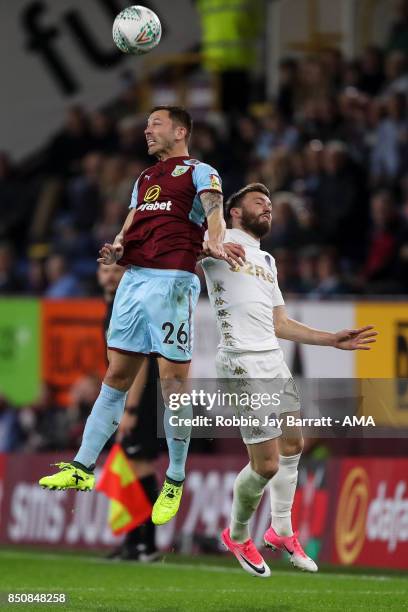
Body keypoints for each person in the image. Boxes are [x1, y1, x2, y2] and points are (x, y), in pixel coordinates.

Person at [39, 106, 243, 528]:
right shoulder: (145, 179)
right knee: (115, 376)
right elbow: (131, 222)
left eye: (156, 123)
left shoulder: (200, 171)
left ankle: (174, 476)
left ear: (181, 130)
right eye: (146, 124)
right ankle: (82, 465)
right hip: (133, 282)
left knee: (173, 384)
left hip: (171, 282)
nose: (146, 130)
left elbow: (214, 213)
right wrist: (117, 248)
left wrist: (217, 241)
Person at [200, 183, 377, 577]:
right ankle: (238, 534)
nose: (268, 209)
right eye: (258, 203)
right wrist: (207, 246)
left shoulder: (267, 259)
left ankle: (281, 531)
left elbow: (280, 323)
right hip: (241, 362)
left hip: (272, 360)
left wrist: (330, 340)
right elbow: (186, 252)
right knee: (265, 466)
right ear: (234, 211)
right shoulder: (216, 239)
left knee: (294, 442)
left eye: (270, 205)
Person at [98, 262, 160, 562]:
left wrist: (130, 409)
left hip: (142, 400)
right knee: (129, 467)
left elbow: (141, 361)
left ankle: (146, 544)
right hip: (130, 399)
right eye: (106, 271)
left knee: (139, 467)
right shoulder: (113, 306)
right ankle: (133, 541)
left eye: (117, 271)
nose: (110, 276)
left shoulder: (129, 304)